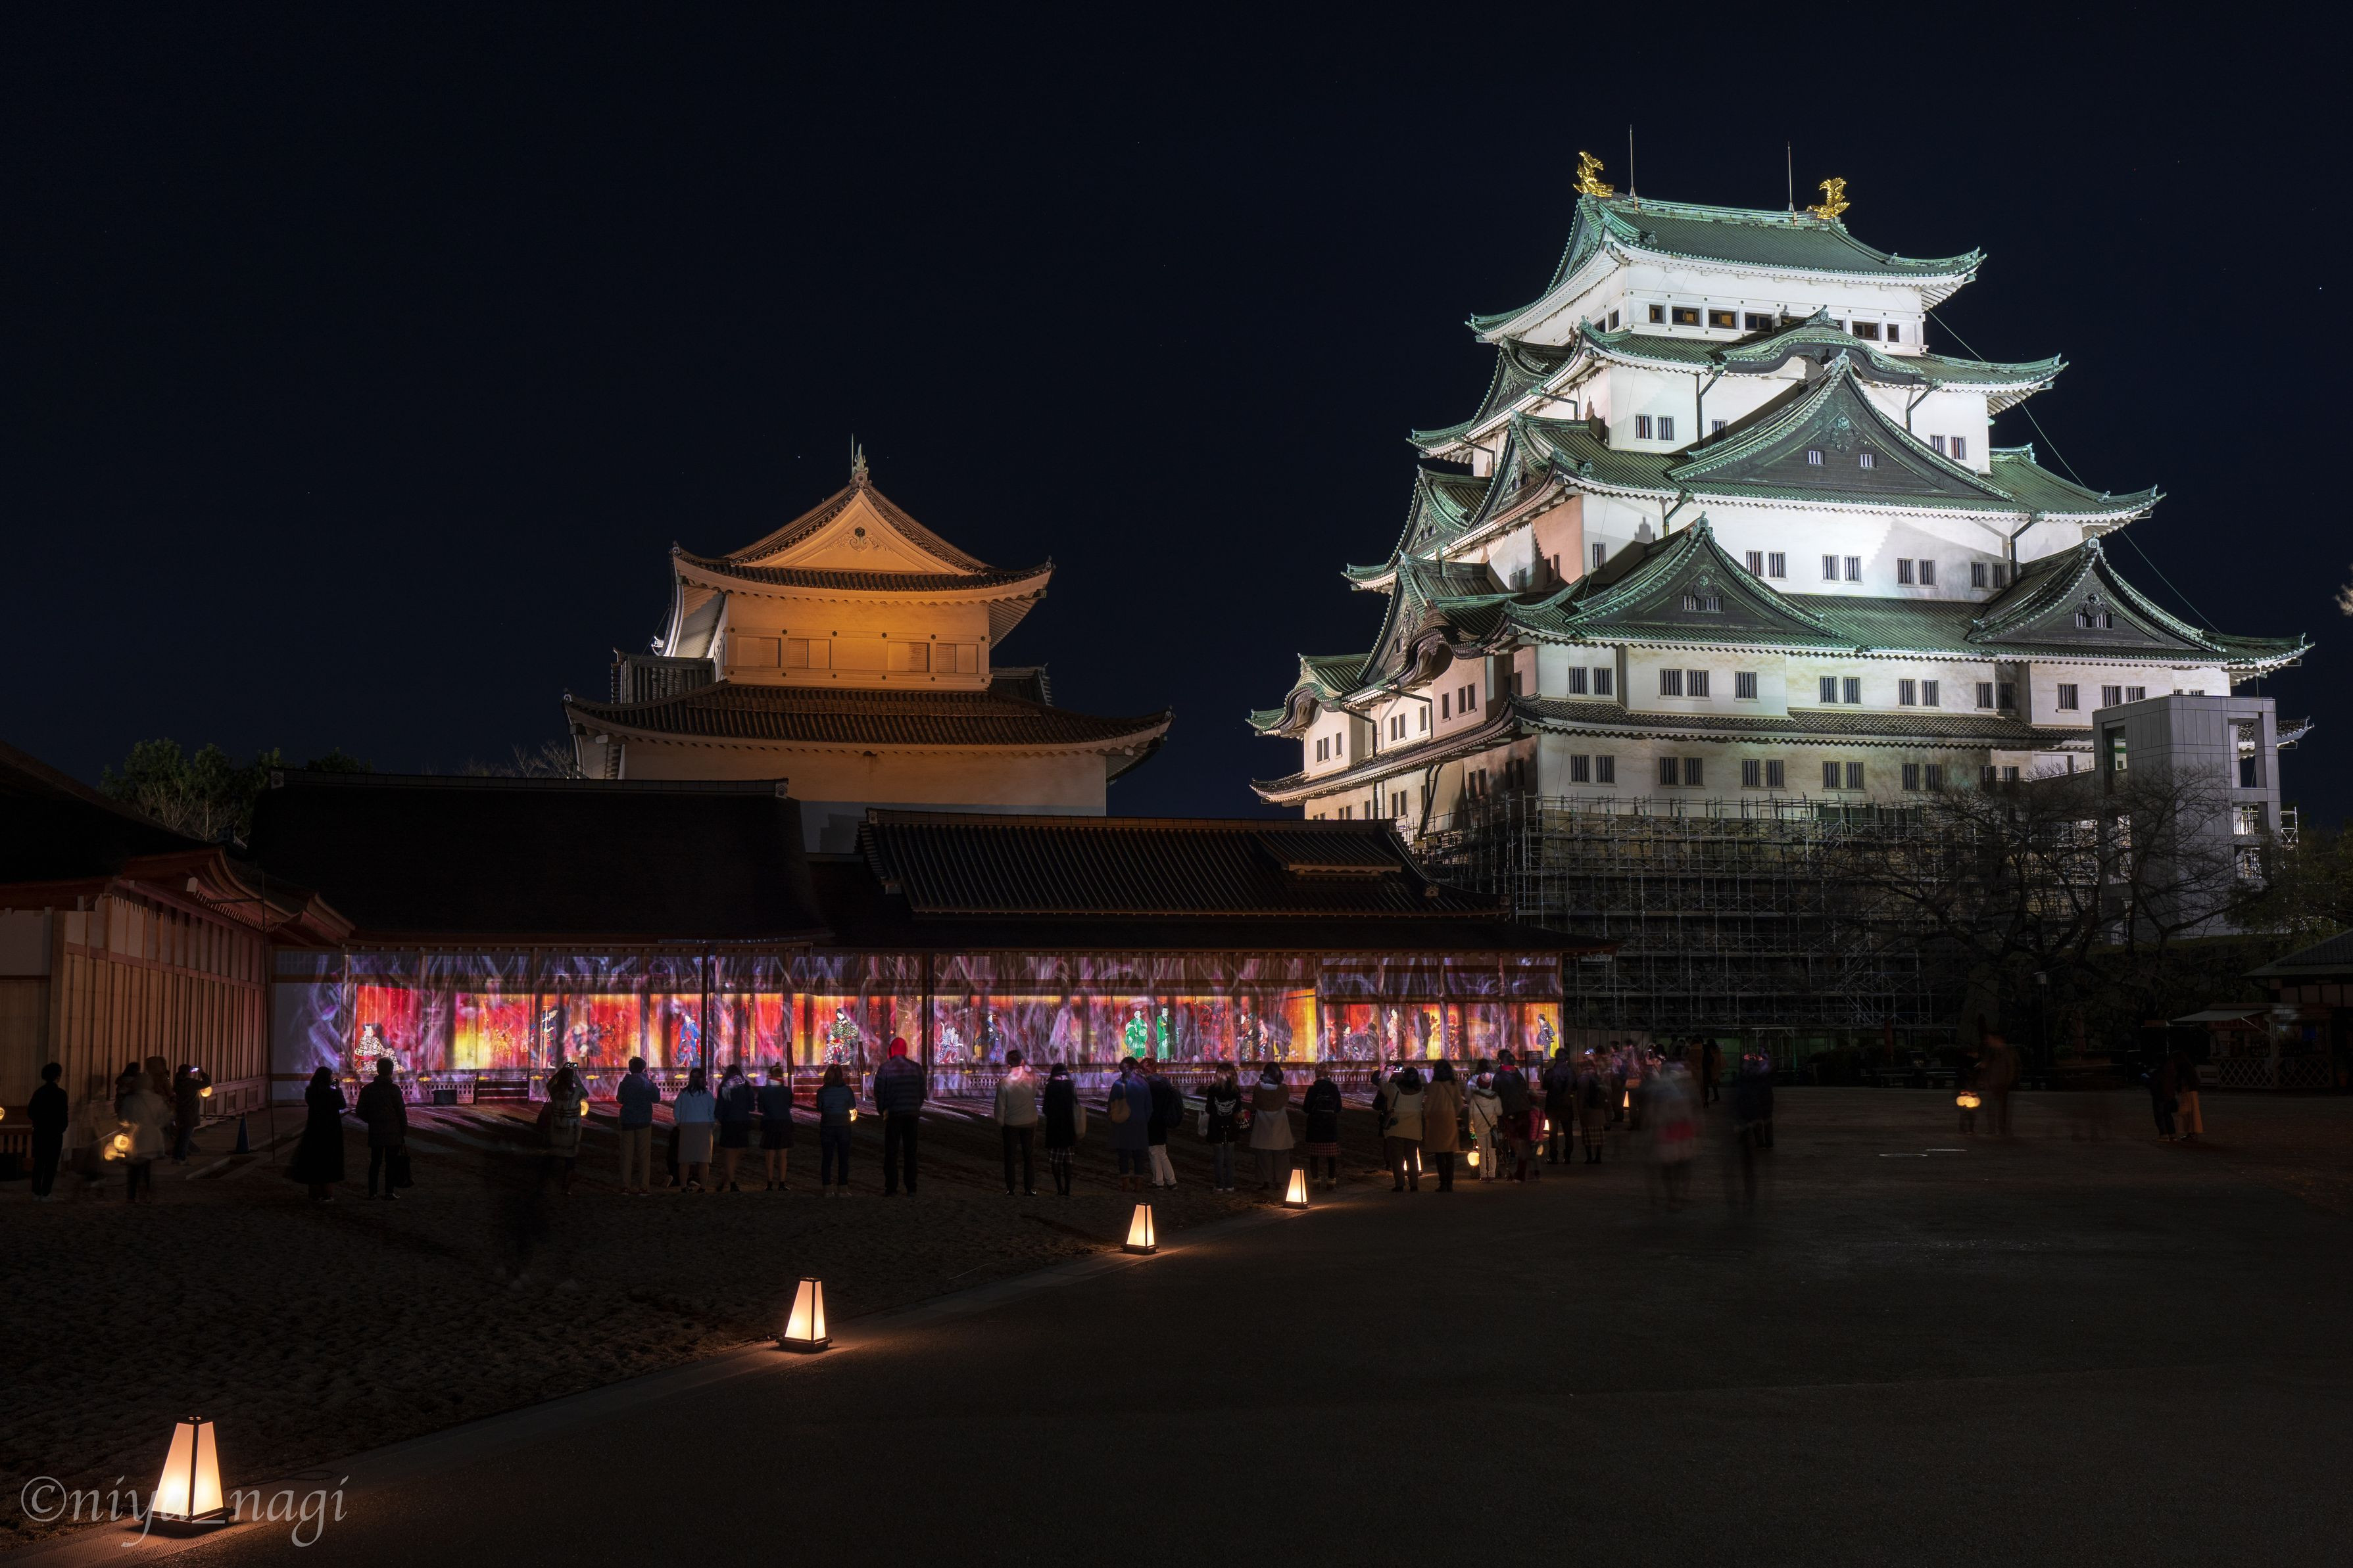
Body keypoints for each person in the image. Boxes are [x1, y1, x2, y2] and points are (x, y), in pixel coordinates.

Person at [871, 1037, 927, 1195]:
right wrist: (915, 1107)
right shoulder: (916, 1068)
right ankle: (911, 1186)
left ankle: (891, 1187)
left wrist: (882, 1110)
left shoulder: (885, 1069)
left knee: (891, 1152)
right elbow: (922, 1091)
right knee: (911, 1152)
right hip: (911, 1114)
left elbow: (879, 1092)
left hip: (894, 1114)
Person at [287, 1065, 347, 1202]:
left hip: (314, 1129)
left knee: (313, 1161)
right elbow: (342, 1105)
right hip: (331, 1130)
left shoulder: (310, 1092)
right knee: (329, 1162)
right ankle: (327, 1194)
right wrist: (338, 1089)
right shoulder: (333, 1094)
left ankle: (314, 1193)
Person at [356, 1056, 408, 1200]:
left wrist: (371, 1120)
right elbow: (401, 1111)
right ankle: (389, 1192)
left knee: (375, 1162)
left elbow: (360, 1110)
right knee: (391, 1163)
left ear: (377, 1070)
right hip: (393, 1130)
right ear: (391, 1071)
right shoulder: (394, 1089)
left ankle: (372, 1192)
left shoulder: (368, 1089)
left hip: (376, 1130)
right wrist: (403, 1129)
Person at [994, 1050, 1040, 1196]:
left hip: (1011, 1123)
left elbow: (1000, 1106)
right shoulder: (1031, 1079)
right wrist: (1027, 1067)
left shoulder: (1005, 1083)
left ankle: (1011, 1188)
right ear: (1022, 1062)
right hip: (1029, 1121)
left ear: (1008, 1064)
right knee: (1029, 1157)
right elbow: (1036, 1080)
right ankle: (1029, 1188)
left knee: (1010, 1157)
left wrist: (1001, 1121)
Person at [1376, 1063, 1426, 1191]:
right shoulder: (1420, 1092)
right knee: (1412, 1158)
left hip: (1396, 1129)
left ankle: (1399, 1184)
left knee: (1397, 1159)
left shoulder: (1394, 1089)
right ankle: (1414, 1184)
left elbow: (1382, 1083)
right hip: (1414, 1130)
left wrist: (1389, 1071)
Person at [119, 1071, 168, 1202]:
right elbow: (163, 1118)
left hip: (135, 1137)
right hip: (152, 1138)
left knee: (133, 1170)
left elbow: (123, 1119)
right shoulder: (157, 1099)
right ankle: (145, 1195)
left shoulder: (130, 1100)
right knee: (147, 1169)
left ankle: (131, 1196)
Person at [1107, 1057, 1152, 1191]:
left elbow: (1111, 1106)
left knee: (1123, 1155)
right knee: (1139, 1155)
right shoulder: (1144, 1084)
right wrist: (1144, 1120)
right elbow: (1149, 1108)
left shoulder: (1118, 1084)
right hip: (1140, 1124)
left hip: (1122, 1123)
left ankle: (1125, 1183)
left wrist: (1113, 1119)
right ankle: (1138, 1184)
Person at [616, 1056, 658, 1195]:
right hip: (644, 1121)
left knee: (626, 1155)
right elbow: (656, 1098)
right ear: (643, 1069)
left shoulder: (625, 1083)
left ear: (630, 1069)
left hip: (627, 1120)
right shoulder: (647, 1083)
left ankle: (625, 1186)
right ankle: (643, 1187)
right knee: (644, 1155)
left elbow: (620, 1099)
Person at [1247, 1063, 1292, 1191]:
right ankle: (1280, 1181)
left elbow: (1254, 1103)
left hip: (1262, 1122)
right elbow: (1285, 1101)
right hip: (1280, 1123)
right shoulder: (1283, 1089)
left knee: (1263, 1154)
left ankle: (1264, 1180)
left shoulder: (1258, 1088)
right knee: (1281, 1154)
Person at [545, 1064, 588, 1197]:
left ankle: (547, 1184)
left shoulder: (555, 1092)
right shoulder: (576, 1093)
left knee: (552, 1159)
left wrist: (559, 1073)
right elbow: (586, 1093)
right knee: (570, 1162)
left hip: (555, 1132)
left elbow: (549, 1085)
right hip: (571, 1134)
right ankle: (566, 1187)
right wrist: (576, 1079)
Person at [1042, 1061, 1083, 1197]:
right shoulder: (1071, 1086)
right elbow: (1076, 1104)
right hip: (1069, 1127)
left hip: (1054, 1128)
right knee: (1068, 1161)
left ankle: (1059, 1187)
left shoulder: (1050, 1087)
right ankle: (1068, 1187)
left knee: (1055, 1161)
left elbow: (1046, 1108)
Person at [671, 1067, 716, 1192]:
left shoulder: (683, 1094)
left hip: (687, 1126)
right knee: (703, 1160)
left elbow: (677, 1109)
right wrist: (711, 1122)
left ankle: (683, 1186)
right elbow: (712, 1111)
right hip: (704, 1127)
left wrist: (679, 1122)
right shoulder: (707, 1095)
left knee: (685, 1159)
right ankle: (703, 1187)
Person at [1493, 1048, 1535, 1181]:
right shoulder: (1518, 1075)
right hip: (1524, 1111)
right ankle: (1523, 1172)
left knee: (1515, 1140)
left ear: (1501, 1062)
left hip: (1510, 1113)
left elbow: (1496, 1096)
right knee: (1524, 1140)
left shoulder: (1499, 1076)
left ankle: (1517, 1169)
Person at [30, 1062, 68, 1200]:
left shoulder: (39, 1092)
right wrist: (61, 1127)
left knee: (39, 1162)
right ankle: (46, 1193)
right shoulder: (61, 1094)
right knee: (51, 1164)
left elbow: (31, 1112)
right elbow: (64, 1114)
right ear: (58, 1076)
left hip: (40, 1131)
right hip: (55, 1133)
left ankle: (36, 1192)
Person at [1423, 1058, 1463, 1191]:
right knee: (1449, 1153)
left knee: (1439, 1153)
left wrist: (1426, 1117)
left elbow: (1428, 1105)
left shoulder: (1433, 1086)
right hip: (1449, 1120)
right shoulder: (1453, 1084)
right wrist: (1453, 1114)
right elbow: (1460, 1104)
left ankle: (1443, 1182)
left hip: (1436, 1120)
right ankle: (1450, 1183)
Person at [1201, 1063, 1244, 1192]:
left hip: (1216, 1126)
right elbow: (1238, 1109)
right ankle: (1230, 1184)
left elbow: (1209, 1108)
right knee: (1230, 1158)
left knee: (1218, 1158)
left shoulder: (1213, 1090)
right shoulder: (1235, 1090)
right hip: (1231, 1126)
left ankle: (1219, 1185)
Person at [1299, 1063, 1342, 1189]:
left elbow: (1306, 1108)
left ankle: (1316, 1182)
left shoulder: (1312, 1089)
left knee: (1314, 1156)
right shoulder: (1333, 1089)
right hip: (1330, 1126)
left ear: (1316, 1075)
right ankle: (1331, 1182)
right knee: (1331, 1157)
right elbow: (1338, 1108)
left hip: (1315, 1126)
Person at [716, 1064, 756, 1192]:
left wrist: (719, 1119)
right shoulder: (746, 1087)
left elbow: (720, 1106)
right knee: (737, 1153)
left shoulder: (724, 1087)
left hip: (729, 1122)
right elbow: (751, 1107)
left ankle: (727, 1180)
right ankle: (730, 1182)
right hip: (743, 1122)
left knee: (730, 1154)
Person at [815, 1064, 854, 1194]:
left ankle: (827, 1188)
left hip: (828, 1125)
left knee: (827, 1158)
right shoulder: (847, 1090)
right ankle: (843, 1187)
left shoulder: (822, 1091)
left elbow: (819, 1108)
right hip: (843, 1125)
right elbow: (852, 1106)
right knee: (843, 1158)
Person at [1144, 1058, 1182, 1189]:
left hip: (1152, 1120)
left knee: (1153, 1152)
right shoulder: (1165, 1082)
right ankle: (1171, 1181)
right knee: (1162, 1152)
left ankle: (1158, 1181)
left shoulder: (1147, 1083)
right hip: (1163, 1119)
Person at [758, 1064, 795, 1190]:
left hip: (770, 1123)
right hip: (784, 1122)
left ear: (770, 1076)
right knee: (783, 1156)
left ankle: (769, 1183)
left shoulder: (764, 1091)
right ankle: (782, 1183)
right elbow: (789, 1105)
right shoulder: (787, 1091)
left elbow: (761, 1108)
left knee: (770, 1155)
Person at [1466, 1060, 1502, 1181]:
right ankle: (1492, 1174)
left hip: (1479, 1126)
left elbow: (1471, 1115)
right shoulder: (1495, 1097)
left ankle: (1483, 1175)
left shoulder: (1474, 1098)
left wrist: (1472, 1129)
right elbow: (1499, 1112)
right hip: (1492, 1126)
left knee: (1482, 1151)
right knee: (1492, 1151)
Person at [1541, 1047, 1576, 1164]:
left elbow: (1545, 1086)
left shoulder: (1550, 1072)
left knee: (1553, 1133)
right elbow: (1575, 1087)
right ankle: (1568, 1156)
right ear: (1566, 1059)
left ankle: (1554, 1156)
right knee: (1568, 1132)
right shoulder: (1571, 1073)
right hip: (1566, 1105)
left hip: (1553, 1105)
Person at [170, 1062, 211, 1162]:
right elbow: (207, 1083)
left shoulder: (178, 1083)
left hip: (180, 1114)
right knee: (186, 1138)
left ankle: (176, 1157)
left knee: (180, 1137)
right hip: (190, 1114)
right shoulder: (192, 1083)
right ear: (188, 1073)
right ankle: (181, 1158)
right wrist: (202, 1073)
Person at [1979, 1032, 2018, 1137]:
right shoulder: (1993, 1051)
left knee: (2000, 1108)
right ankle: (1996, 1128)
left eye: (1990, 1039)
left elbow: (2010, 1068)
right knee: (1995, 1108)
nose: (1989, 1041)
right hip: (1994, 1083)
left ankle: (2001, 1129)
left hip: (2001, 1083)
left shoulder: (2004, 1051)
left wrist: (2007, 1081)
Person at [1576, 1052, 1609, 1163]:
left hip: (1588, 1110)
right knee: (1599, 1135)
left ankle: (1589, 1157)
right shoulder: (1597, 1075)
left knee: (1588, 1136)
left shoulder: (1583, 1077)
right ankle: (1598, 1157)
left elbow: (1581, 1097)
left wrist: (1580, 1111)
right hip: (1599, 1109)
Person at [2170, 1048, 2204, 1143]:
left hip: (2188, 1091)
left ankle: (2192, 1133)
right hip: (2190, 1091)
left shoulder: (2183, 1068)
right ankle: (2192, 1133)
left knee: (2188, 1112)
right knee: (2191, 1113)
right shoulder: (2188, 1067)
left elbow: (2183, 1080)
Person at [2148, 1051, 2179, 1141]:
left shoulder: (2159, 1072)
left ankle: (2164, 1134)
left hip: (2160, 1095)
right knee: (2168, 1115)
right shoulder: (2170, 1070)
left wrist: (2148, 1080)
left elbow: (2154, 1084)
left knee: (2160, 1116)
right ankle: (2172, 1134)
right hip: (2169, 1096)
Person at [1699, 1037, 1723, 1107]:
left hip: (1710, 1067)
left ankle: (1714, 1097)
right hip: (1715, 1067)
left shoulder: (1708, 1049)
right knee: (1714, 1082)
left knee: (1709, 1083)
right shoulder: (1717, 1048)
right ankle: (1716, 1096)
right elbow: (1718, 1057)